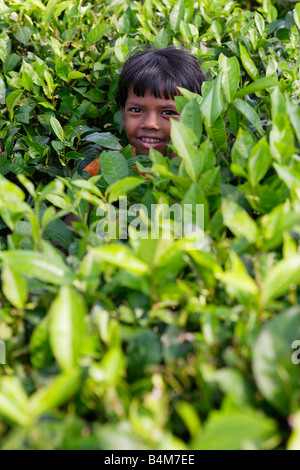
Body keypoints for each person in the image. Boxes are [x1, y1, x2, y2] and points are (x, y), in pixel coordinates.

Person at [83, 46, 205, 177]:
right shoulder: (104, 170)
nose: (150, 123)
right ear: (123, 113)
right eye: (136, 110)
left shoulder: (204, 173)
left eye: (168, 113)